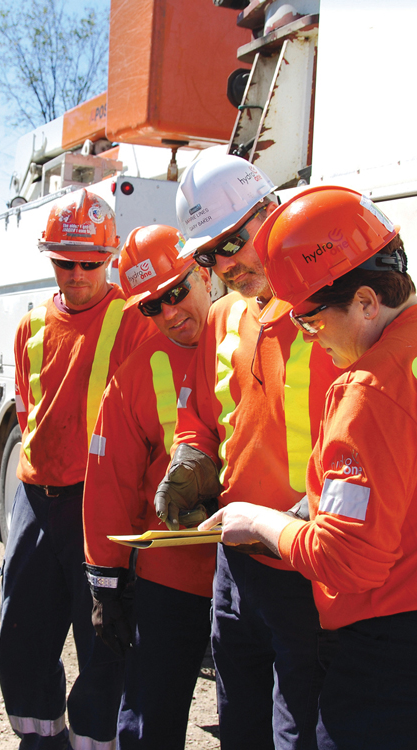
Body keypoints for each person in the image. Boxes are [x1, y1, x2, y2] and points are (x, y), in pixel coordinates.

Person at [202, 184, 417, 749]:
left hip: (384, 648)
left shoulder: (369, 391)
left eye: (314, 322)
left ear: (367, 301)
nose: (311, 338)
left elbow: (347, 560)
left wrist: (267, 523)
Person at [155, 151, 340, 750]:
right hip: (235, 568)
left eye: (235, 240)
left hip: (308, 567)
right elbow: (205, 419)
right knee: (239, 726)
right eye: (209, 254)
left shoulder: (331, 306)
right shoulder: (227, 314)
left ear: (272, 208)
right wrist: (191, 460)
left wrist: (317, 510)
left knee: (300, 732)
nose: (226, 264)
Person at [0, 189, 155, 750]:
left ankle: (93, 741)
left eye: (92, 262)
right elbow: (26, 406)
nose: (80, 272)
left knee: (103, 643)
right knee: (21, 637)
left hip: (100, 503)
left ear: (110, 258)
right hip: (36, 499)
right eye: (67, 261)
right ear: (50, 258)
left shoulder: (135, 322)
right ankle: (42, 740)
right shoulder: (31, 326)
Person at [83, 224, 217, 749]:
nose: (169, 313)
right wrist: (105, 583)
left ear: (204, 273)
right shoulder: (136, 373)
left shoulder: (254, 337)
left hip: (260, 573)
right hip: (173, 578)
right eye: (151, 306)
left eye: (177, 292)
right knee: (149, 720)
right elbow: (108, 479)